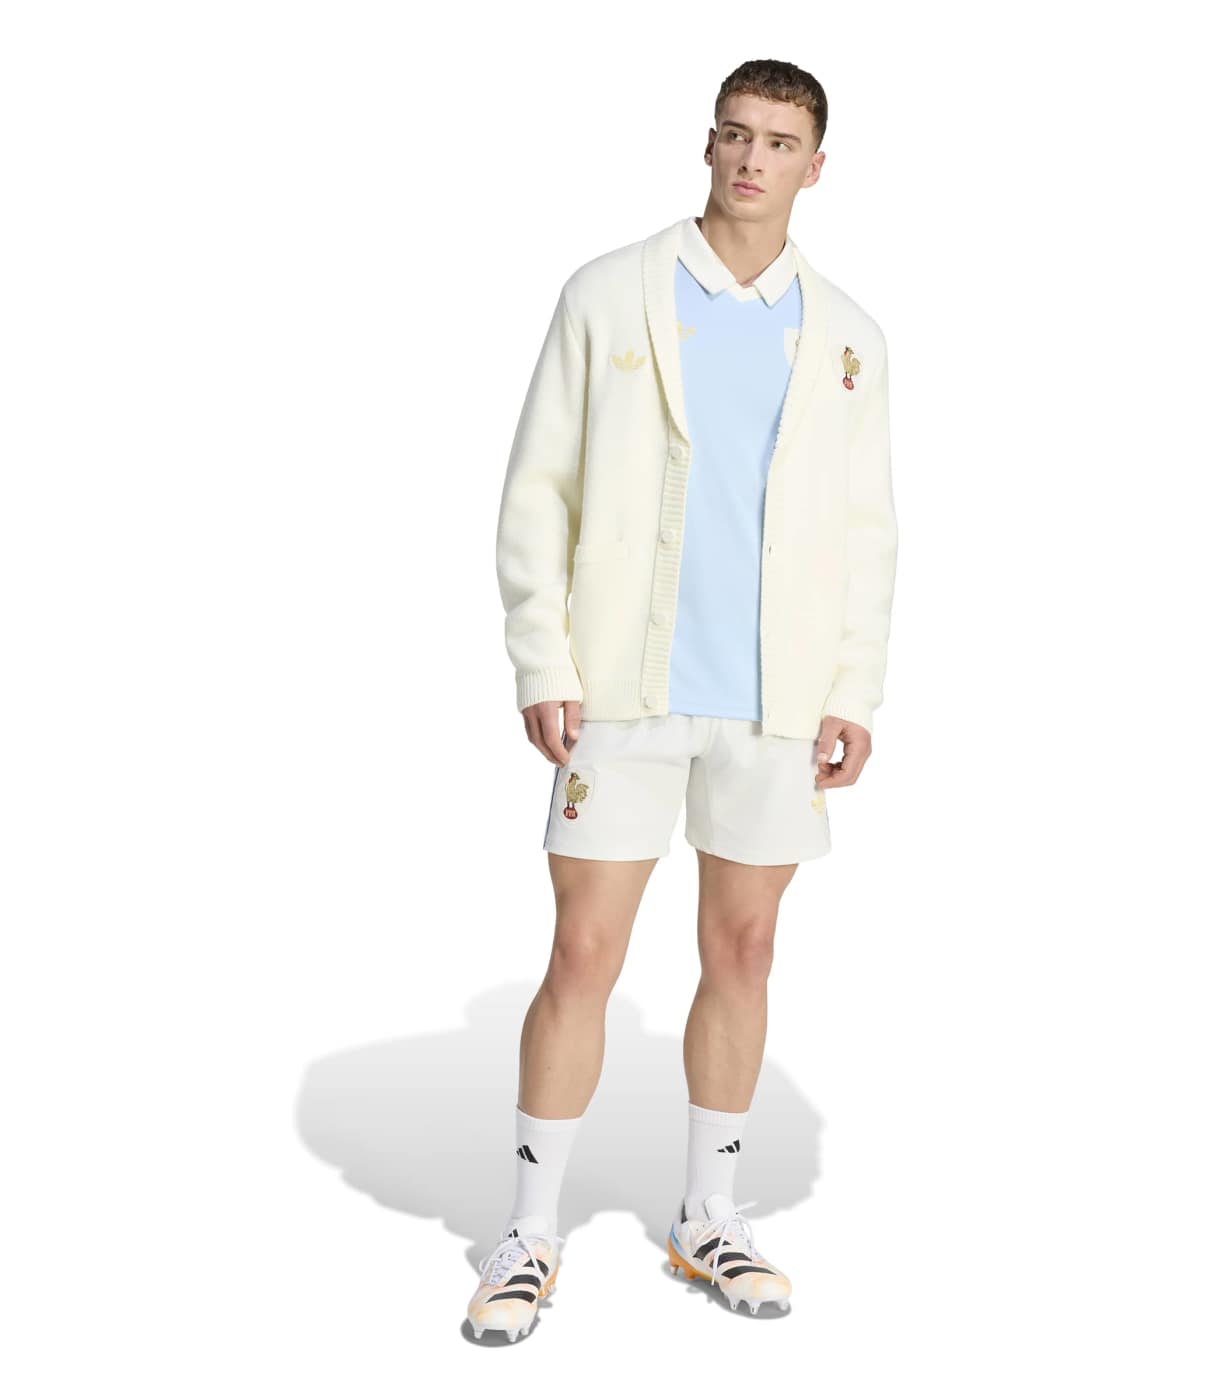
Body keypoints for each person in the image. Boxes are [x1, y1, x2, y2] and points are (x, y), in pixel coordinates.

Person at [466, 58, 897, 1342]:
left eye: (779, 142)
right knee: (583, 952)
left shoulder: (847, 337)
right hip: (622, 691)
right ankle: (527, 1231)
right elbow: (536, 486)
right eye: (733, 134)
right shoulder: (610, 294)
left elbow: (866, 530)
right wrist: (543, 659)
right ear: (706, 145)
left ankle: (708, 1213)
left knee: (744, 949)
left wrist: (853, 686)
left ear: (816, 166)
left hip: (774, 701)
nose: (752, 159)